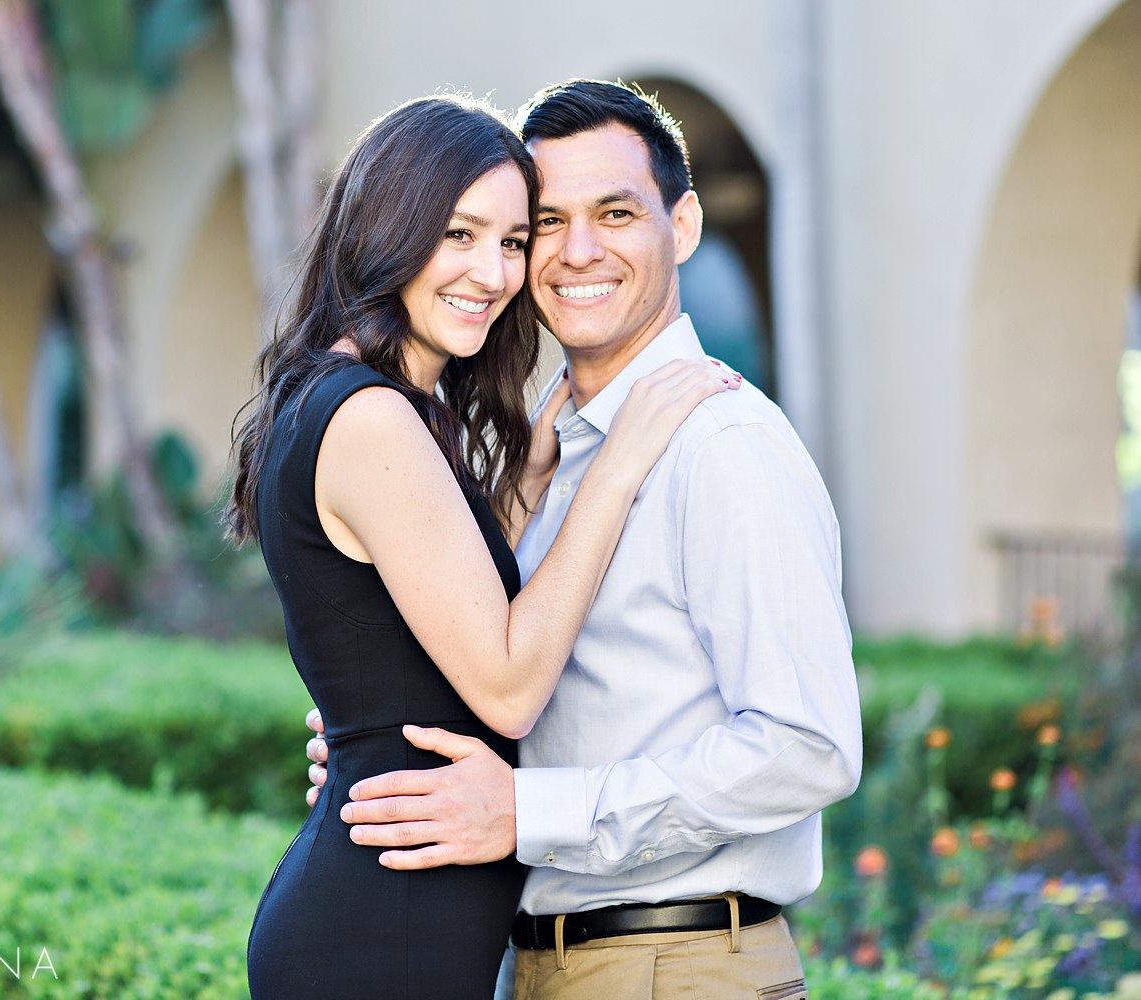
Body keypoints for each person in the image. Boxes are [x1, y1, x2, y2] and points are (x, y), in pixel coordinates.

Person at [306, 80, 863, 999]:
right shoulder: (561, 453)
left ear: (680, 228)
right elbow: (530, 679)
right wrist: (387, 738)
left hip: (678, 967)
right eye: (545, 225)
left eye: (615, 213)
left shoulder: (721, 446)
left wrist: (526, 812)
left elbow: (808, 745)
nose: (578, 253)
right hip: (541, 963)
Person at [225, 93, 739, 1000]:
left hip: (389, 917)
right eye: (459, 234)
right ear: (390, 229)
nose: (494, 273)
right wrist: (614, 468)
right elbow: (505, 686)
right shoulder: (372, 419)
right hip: (379, 940)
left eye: (511, 241)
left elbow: (414, 613)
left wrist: (528, 489)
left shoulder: (351, 403)